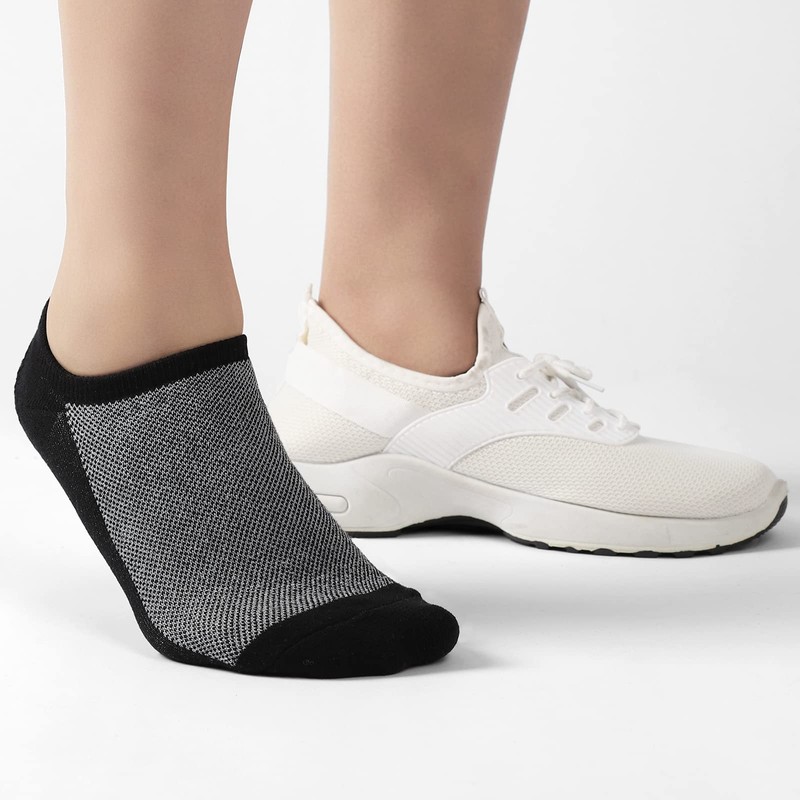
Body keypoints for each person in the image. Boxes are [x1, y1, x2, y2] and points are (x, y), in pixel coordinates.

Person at [14, 1, 786, 678]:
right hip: (129, 346)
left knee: (409, 314)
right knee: (141, 280)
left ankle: (398, 345)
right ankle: (133, 326)